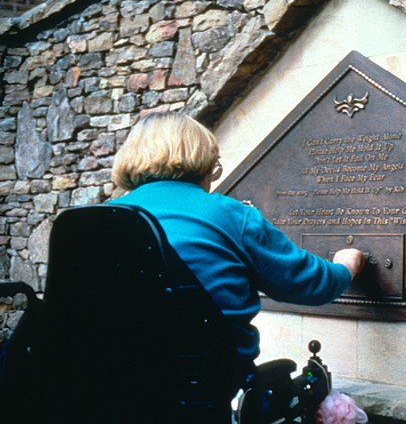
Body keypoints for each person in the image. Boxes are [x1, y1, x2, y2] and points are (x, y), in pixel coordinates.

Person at [110, 111, 365, 380]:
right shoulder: (230, 216)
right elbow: (308, 284)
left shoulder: (98, 218)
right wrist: (345, 266)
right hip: (205, 386)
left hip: (117, 383)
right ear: (202, 162)